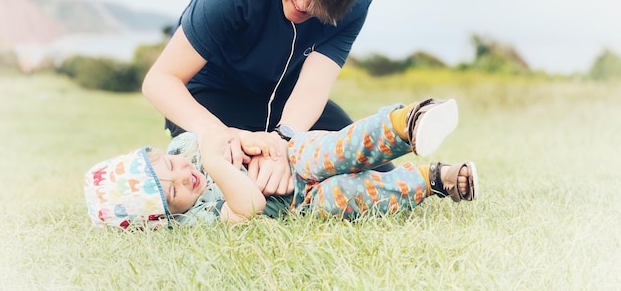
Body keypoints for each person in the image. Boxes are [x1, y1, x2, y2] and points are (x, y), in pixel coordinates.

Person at [141, 0, 383, 198]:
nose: (304, 3)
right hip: (208, 94)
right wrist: (214, 133)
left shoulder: (356, 5)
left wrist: (284, 141)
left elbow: (313, 87)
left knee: (369, 166)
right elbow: (161, 80)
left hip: (283, 98)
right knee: (237, 178)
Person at [84, 98, 478, 229]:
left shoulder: (186, 146)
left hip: (291, 155)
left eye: (168, 166)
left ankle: (406, 123)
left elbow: (234, 135)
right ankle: (433, 180)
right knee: (352, 196)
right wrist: (215, 162)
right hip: (301, 203)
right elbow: (250, 207)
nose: (182, 177)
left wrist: (257, 141)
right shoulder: (196, 218)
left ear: (157, 152)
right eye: (173, 192)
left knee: (336, 149)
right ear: (167, 217)